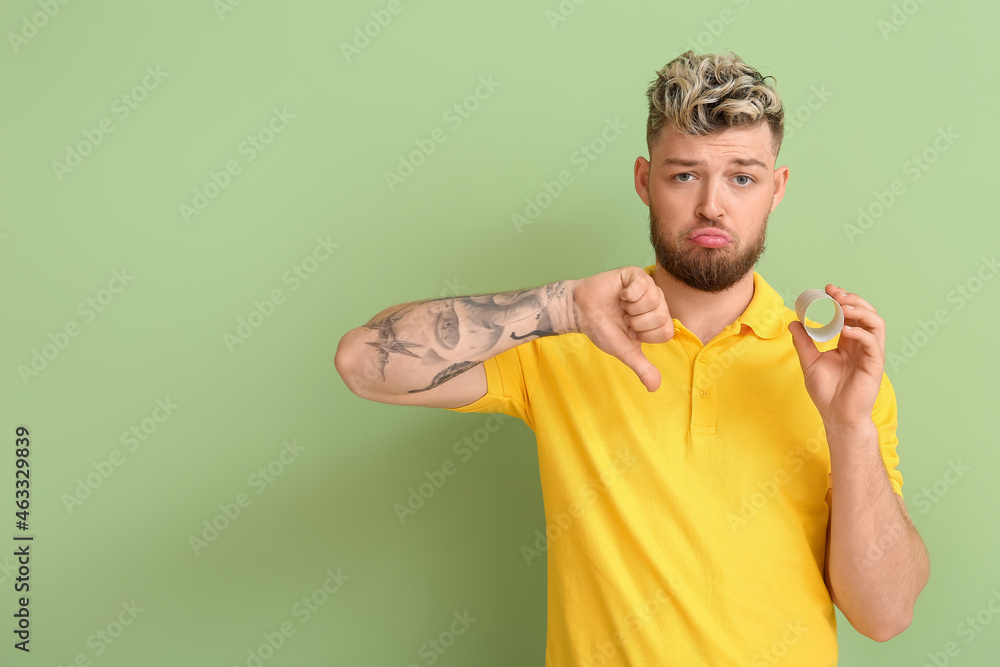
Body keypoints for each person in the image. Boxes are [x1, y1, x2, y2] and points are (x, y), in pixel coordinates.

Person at [335, 50, 930, 666]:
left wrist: (848, 426)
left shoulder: (838, 379)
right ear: (645, 180)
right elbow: (362, 360)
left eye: (742, 178)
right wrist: (562, 306)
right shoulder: (566, 340)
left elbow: (886, 616)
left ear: (776, 189)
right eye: (684, 175)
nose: (712, 206)